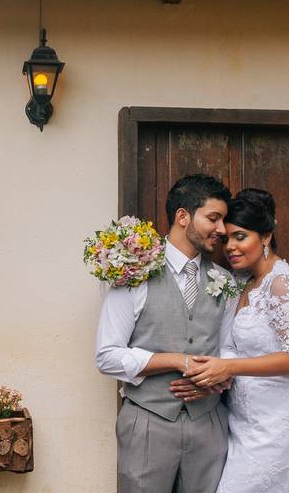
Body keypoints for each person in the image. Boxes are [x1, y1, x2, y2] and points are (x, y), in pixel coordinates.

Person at [95, 173, 233, 493]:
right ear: (183, 217)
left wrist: (217, 381)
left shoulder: (225, 281)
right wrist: (176, 360)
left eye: (224, 221)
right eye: (214, 218)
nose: (222, 230)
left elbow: (231, 352)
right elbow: (107, 356)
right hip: (147, 421)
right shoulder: (133, 273)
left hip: (209, 423)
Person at [181, 188, 289, 492]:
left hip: (276, 424)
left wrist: (229, 368)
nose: (230, 246)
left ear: (265, 236)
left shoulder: (283, 285)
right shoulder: (241, 281)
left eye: (240, 236)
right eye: (227, 238)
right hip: (241, 420)